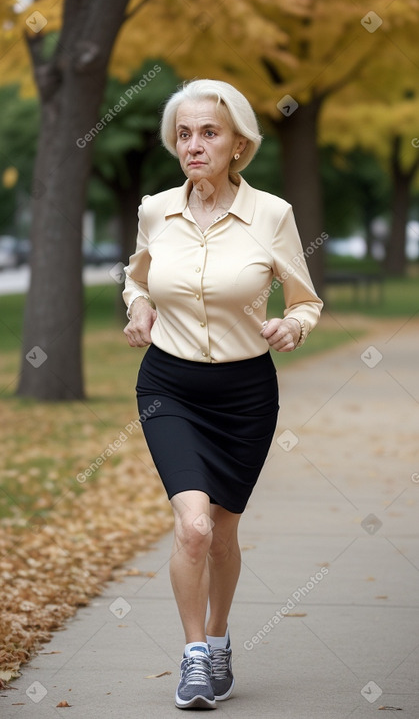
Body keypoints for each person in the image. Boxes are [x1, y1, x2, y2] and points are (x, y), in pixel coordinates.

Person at [123, 79, 323, 710]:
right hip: (169, 386)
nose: (194, 144)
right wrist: (137, 308)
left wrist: (291, 325)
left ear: (239, 142)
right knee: (194, 527)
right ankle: (194, 659)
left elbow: (305, 299)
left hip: (244, 395)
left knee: (225, 533)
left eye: (208, 132)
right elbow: (137, 280)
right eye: (184, 133)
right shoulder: (156, 210)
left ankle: (218, 637)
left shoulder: (273, 215)